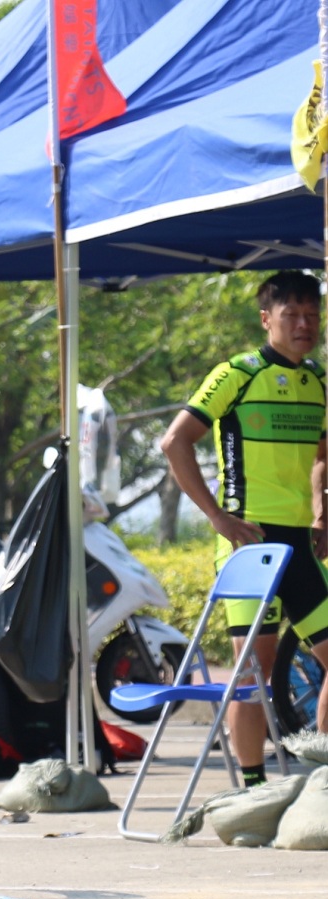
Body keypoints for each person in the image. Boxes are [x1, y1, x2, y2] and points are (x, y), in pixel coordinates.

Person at [160, 269, 328, 786]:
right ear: (266, 319)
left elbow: (323, 455)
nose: (303, 324)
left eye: (311, 315)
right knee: (253, 673)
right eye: (291, 314)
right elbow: (174, 442)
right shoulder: (237, 373)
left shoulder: (319, 379)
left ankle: (321, 777)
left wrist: (322, 511)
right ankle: (252, 789)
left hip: (300, 542)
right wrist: (217, 516)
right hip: (250, 545)